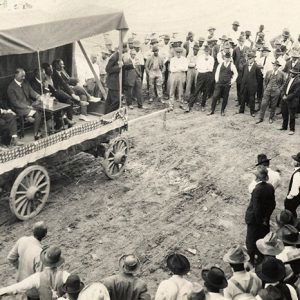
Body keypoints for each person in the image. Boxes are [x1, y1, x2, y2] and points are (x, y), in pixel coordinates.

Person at [0, 246, 70, 299]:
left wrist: (2, 291)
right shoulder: (65, 275)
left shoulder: (37, 278)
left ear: (44, 261)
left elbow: (18, 287)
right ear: (58, 262)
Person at [245, 166, 276, 265]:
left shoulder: (256, 190)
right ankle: (260, 257)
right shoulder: (270, 187)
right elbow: (272, 204)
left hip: (255, 221)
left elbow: (256, 208)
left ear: (257, 178)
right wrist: (266, 217)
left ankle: (251, 259)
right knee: (262, 238)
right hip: (265, 219)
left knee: (251, 240)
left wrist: (260, 221)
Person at [7, 68, 43, 140]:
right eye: (22, 76)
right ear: (16, 75)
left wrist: (38, 96)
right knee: (38, 113)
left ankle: (30, 119)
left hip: (29, 105)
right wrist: (27, 106)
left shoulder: (25, 83)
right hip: (18, 108)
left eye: (24, 76)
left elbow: (31, 92)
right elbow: (15, 103)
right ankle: (35, 133)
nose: (24, 78)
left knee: (42, 108)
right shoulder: (11, 87)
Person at [185, 45, 214, 112]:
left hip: (208, 75)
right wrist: (205, 67)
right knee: (197, 90)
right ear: (204, 51)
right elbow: (198, 66)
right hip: (201, 74)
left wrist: (206, 67)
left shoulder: (211, 58)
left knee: (206, 91)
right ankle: (190, 105)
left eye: (208, 51)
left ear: (209, 51)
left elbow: (211, 68)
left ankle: (203, 105)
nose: (207, 52)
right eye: (206, 51)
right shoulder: (200, 57)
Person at [238, 52, 263, 117]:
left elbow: (259, 78)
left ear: (254, 59)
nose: (249, 60)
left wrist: (255, 85)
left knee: (252, 99)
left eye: (251, 58)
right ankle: (241, 110)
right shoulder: (245, 65)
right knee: (243, 97)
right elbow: (243, 75)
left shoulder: (257, 67)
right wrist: (243, 83)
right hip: (245, 85)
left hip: (252, 86)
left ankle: (252, 112)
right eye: (248, 58)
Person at [105, 43, 127, 114]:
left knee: (110, 100)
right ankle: (109, 114)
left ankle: (106, 114)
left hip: (116, 82)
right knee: (116, 101)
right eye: (125, 48)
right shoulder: (114, 57)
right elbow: (107, 69)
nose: (126, 50)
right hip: (113, 83)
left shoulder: (120, 56)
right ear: (122, 48)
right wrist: (118, 67)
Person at [279, 67, 300, 135]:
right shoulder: (288, 78)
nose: (291, 74)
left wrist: (287, 97)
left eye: (293, 73)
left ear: (296, 74)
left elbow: (295, 93)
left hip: (292, 100)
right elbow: (284, 87)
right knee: (284, 113)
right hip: (285, 98)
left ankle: (292, 129)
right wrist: (283, 95)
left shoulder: (298, 81)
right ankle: (284, 126)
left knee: (292, 115)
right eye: (291, 72)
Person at [233, 36, 249, 105]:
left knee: (245, 85)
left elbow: (248, 58)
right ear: (238, 41)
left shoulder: (247, 48)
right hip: (238, 71)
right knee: (238, 85)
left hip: (245, 70)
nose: (241, 42)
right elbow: (233, 58)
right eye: (240, 41)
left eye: (242, 41)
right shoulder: (235, 49)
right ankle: (239, 101)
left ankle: (245, 100)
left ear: (244, 41)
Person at [284, 153, 300, 217]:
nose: (292, 161)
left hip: (293, 199)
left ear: (297, 163)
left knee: (289, 213)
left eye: (294, 160)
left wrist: (288, 198)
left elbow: (295, 191)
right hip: (297, 198)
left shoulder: (297, 174)